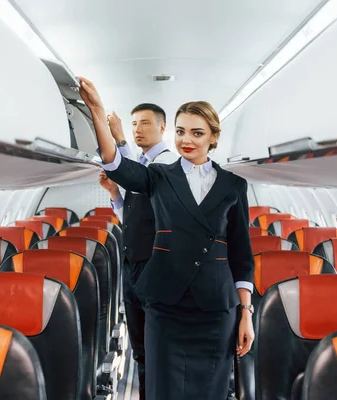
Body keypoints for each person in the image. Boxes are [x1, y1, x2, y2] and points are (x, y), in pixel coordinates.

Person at [79, 76, 255, 400]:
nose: (186, 140)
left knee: (210, 392)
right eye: (180, 131)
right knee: (162, 389)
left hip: (215, 309)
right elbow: (115, 164)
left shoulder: (234, 186)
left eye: (197, 133)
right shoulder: (160, 176)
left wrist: (246, 313)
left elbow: (242, 258)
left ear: (213, 137)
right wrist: (96, 110)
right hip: (166, 307)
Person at [98, 104, 178, 400]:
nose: (137, 129)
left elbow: (134, 174)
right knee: (142, 352)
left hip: (156, 270)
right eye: (133, 124)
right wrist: (115, 196)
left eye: (145, 123)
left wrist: (119, 141)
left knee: (157, 352)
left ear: (162, 127)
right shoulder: (143, 163)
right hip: (133, 269)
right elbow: (134, 219)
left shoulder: (167, 165)